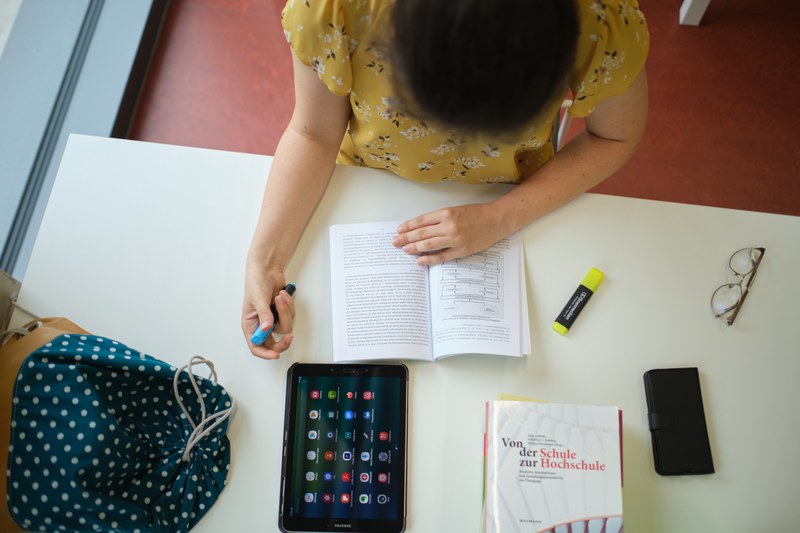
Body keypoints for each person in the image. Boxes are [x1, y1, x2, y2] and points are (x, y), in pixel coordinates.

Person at [242, 0, 650, 359]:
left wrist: (501, 217)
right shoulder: (330, 8)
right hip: (365, 180)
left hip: (518, 191)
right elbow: (313, 133)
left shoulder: (605, 19)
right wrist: (264, 260)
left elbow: (613, 135)